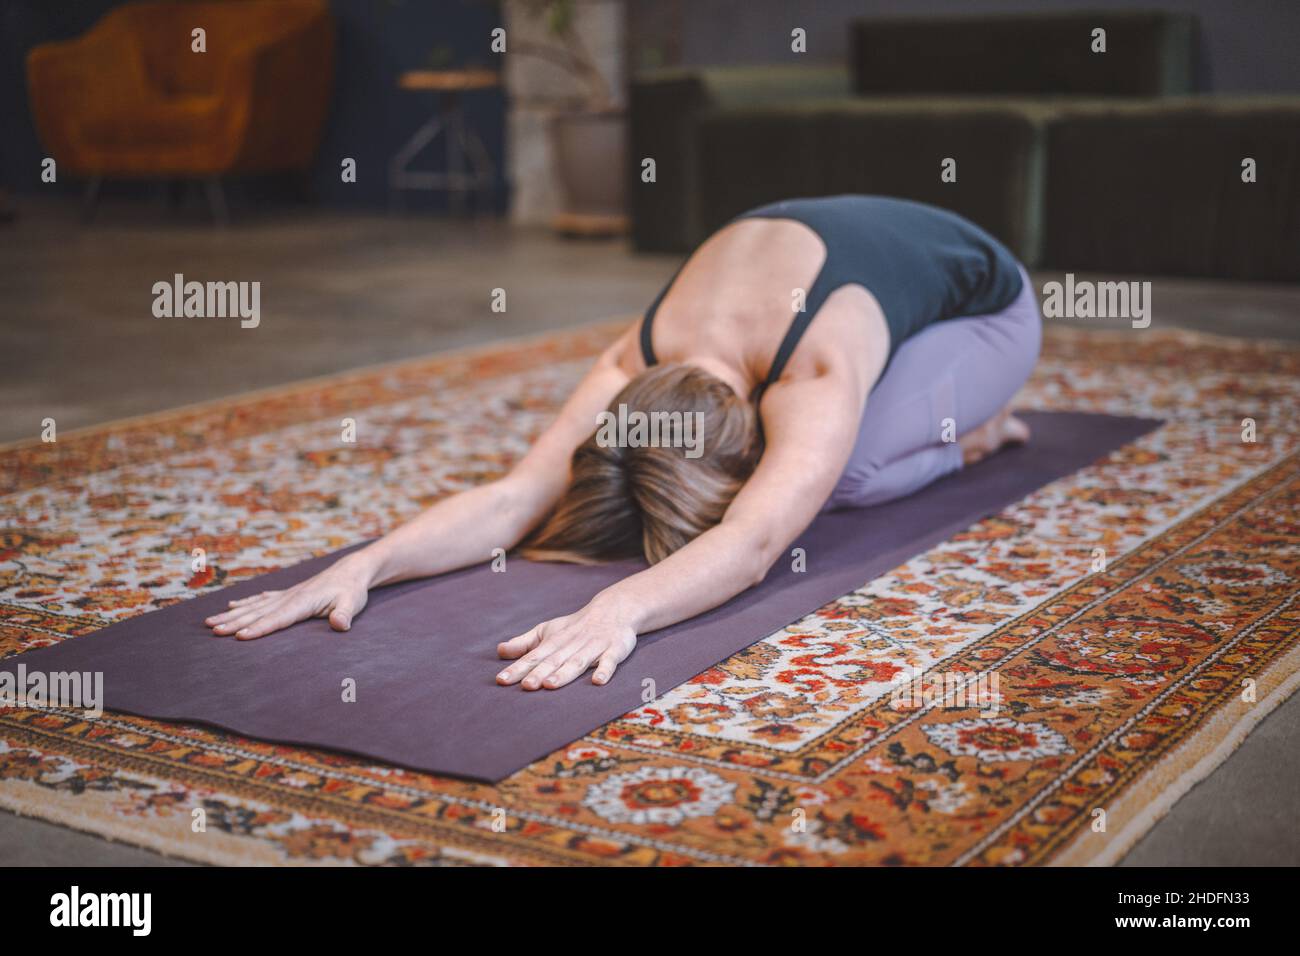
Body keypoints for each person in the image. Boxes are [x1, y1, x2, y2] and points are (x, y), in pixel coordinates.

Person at [206, 195, 1041, 691]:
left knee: (843, 476)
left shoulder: (814, 367)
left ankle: (977, 434)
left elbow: (751, 541)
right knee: (822, 466)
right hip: (833, 266)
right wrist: (365, 564)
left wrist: (621, 608)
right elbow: (514, 495)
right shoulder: (636, 358)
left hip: (989, 310)